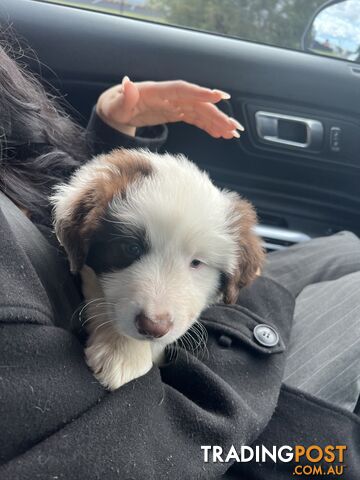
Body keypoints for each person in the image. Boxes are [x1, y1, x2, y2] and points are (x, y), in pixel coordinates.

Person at [0, 40, 359, 479]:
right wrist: (248, 323)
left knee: (348, 247)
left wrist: (110, 135)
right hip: (221, 417)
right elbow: (125, 446)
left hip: (228, 322)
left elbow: (72, 212)